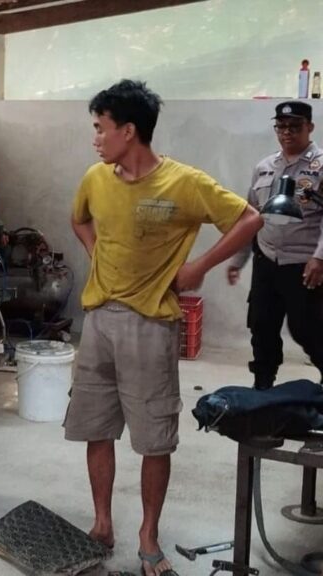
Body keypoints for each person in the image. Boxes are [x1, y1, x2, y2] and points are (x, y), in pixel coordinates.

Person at [64, 79, 263, 576]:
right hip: (98, 321)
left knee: (155, 439)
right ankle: (102, 522)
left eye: (101, 128)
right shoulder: (96, 177)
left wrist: (198, 268)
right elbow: (80, 221)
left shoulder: (184, 183)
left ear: (129, 131)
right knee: (97, 429)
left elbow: (249, 219)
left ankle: (148, 536)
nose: (95, 138)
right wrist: (96, 256)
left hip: (150, 325)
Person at [227, 100, 323, 389]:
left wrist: (320, 258)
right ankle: (262, 385)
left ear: (310, 128)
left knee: (308, 330)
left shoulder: (320, 167)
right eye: (281, 127)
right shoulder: (265, 167)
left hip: (304, 265)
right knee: (262, 325)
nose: (287, 133)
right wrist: (238, 260)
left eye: (295, 127)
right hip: (267, 261)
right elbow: (252, 216)